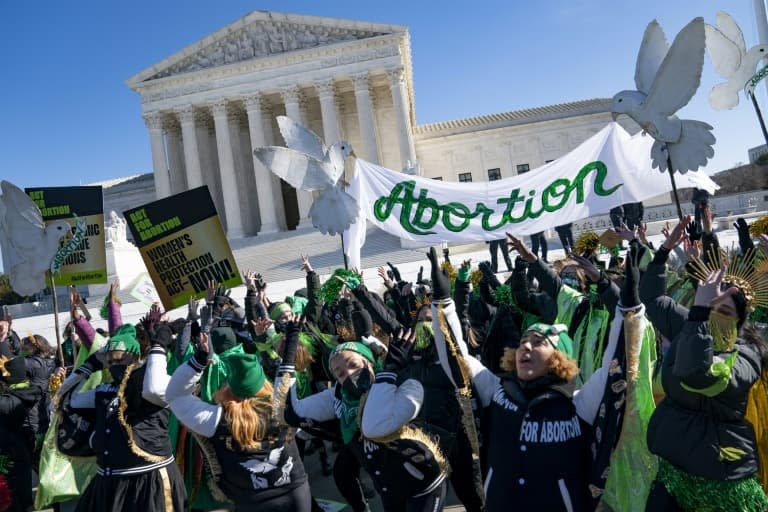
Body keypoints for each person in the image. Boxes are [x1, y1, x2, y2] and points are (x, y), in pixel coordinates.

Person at [428, 244, 647, 512]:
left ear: (559, 359)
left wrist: (629, 310)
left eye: (538, 342)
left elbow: (617, 367)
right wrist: (443, 303)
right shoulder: (497, 391)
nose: (526, 347)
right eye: (523, 341)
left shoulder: (577, 404)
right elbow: (457, 359)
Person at [640, 216, 768, 511]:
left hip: (721, 477)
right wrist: (662, 253)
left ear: (740, 319)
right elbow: (652, 296)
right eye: (712, 307)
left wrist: (699, 314)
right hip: (674, 468)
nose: (714, 315)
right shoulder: (690, 323)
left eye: (723, 310)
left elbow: (699, 375)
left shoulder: (747, 351)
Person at [166, 331, 311, 512]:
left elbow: (174, 395)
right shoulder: (282, 409)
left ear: (228, 388)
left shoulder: (215, 419)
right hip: (296, 496)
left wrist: (198, 361)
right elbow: (286, 377)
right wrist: (292, 338)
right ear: (264, 384)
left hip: (250, 502)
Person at [55, 315, 186, 511]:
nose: (114, 364)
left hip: (148, 482)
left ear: (135, 357)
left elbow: (153, 389)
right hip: (109, 484)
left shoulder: (152, 384)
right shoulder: (104, 391)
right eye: (109, 361)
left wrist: (157, 347)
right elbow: (65, 399)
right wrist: (91, 364)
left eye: (120, 358)